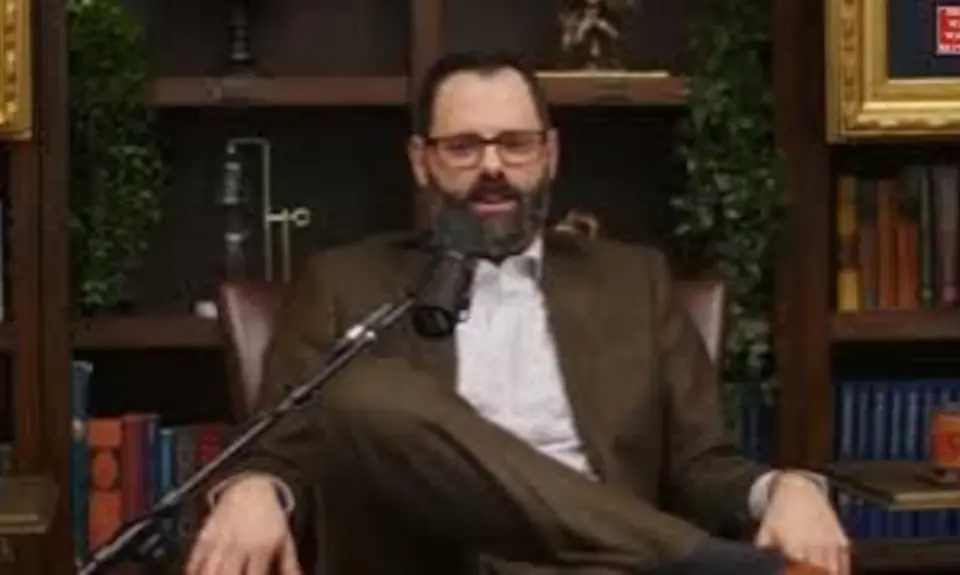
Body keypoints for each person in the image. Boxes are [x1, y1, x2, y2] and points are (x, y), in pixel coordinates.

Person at [185, 51, 849, 575]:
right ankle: (703, 563)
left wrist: (784, 487)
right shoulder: (344, 280)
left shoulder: (634, 280)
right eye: (463, 147)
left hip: (601, 567)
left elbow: (702, 464)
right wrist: (254, 487)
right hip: (432, 563)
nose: (493, 167)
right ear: (422, 160)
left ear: (549, 154)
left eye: (515, 144)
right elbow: (283, 446)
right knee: (367, 390)